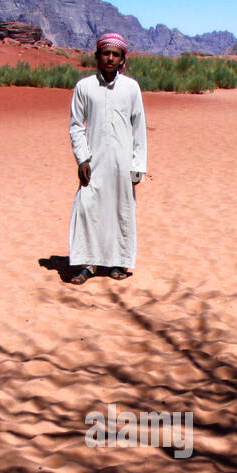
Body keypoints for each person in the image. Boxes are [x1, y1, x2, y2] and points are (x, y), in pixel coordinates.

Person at [68, 32, 147, 284]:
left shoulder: (131, 87)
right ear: (97, 57)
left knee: (120, 210)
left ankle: (118, 262)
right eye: (106, 53)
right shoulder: (84, 87)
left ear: (123, 58)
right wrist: (82, 159)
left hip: (123, 163)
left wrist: (137, 165)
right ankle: (89, 264)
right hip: (94, 162)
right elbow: (76, 126)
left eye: (116, 54)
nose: (110, 58)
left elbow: (139, 128)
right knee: (88, 208)